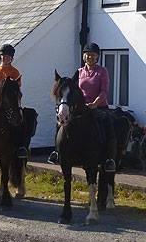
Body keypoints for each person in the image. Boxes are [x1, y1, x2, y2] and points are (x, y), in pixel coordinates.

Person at [46, 42, 117, 173]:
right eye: (87, 55)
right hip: (80, 107)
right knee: (61, 123)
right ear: (84, 56)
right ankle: (57, 152)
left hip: (99, 107)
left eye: (92, 55)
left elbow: (104, 91)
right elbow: (74, 92)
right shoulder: (79, 72)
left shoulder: (102, 72)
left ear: (97, 57)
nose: (90, 57)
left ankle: (109, 159)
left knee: (108, 123)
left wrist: (95, 103)